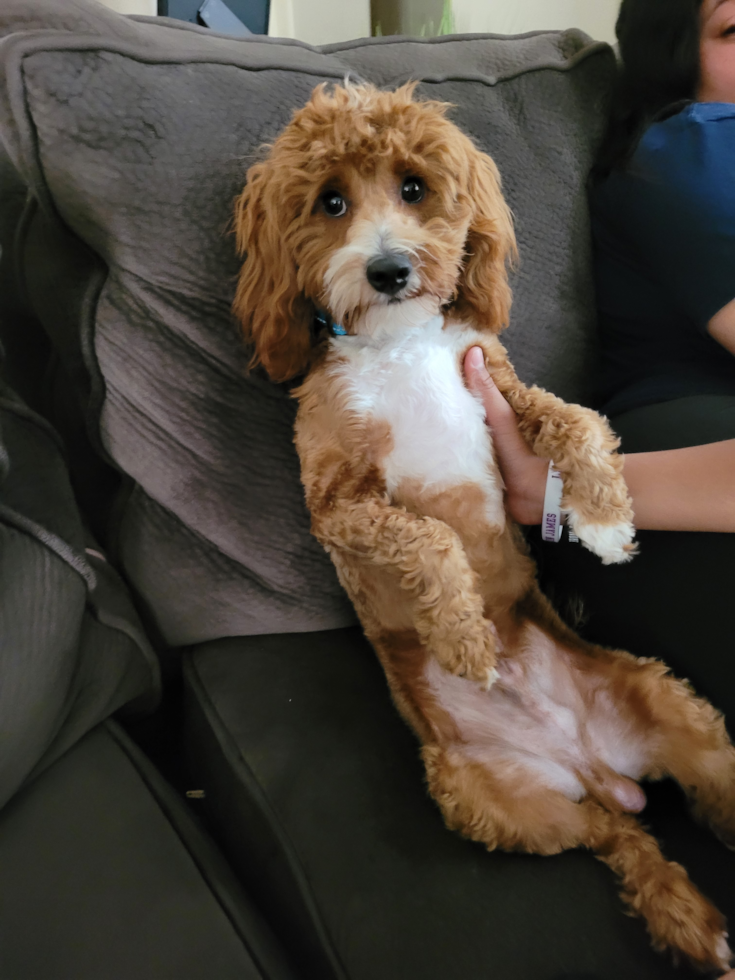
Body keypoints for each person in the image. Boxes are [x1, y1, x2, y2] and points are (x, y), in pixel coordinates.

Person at [463, 0, 735, 738]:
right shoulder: (696, 140)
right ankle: (551, 489)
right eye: (732, 29)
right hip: (682, 445)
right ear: (672, 56)